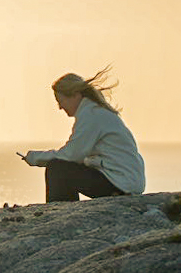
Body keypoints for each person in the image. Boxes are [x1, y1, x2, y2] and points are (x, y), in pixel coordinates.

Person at [19, 68, 146, 202]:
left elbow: (71, 155)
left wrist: (35, 157)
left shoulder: (91, 115)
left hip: (119, 184)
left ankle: (61, 214)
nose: (60, 107)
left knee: (57, 169)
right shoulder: (96, 112)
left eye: (60, 101)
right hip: (124, 181)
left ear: (75, 95)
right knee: (63, 167)